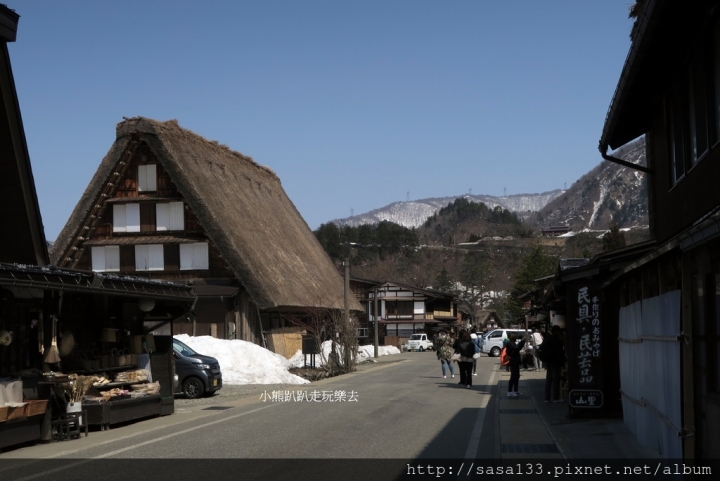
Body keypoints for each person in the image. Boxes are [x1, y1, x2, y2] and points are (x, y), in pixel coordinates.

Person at [543, 325, 565, 403]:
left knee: (548, 381)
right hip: (556, 363)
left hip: (548, 362)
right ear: (557, 331)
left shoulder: (547, 338)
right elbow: (559, 352)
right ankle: (556, 398)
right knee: (556, 381)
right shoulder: (556, 339)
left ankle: (547, 398)